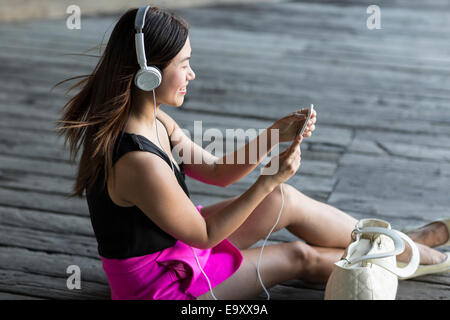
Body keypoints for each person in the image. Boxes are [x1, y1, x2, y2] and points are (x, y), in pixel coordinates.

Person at [55, 6, 449, 300]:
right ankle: (403, 254)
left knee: (285, 199)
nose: (191, 74)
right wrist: (268, 179)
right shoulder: (136, 161)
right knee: (297, 256)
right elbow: (206, 236)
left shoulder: (155, 121)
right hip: (164, 284)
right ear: (149, 74)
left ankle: (395, 244)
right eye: (184, 65)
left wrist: (275, 134)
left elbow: (216, 171)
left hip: (178, 241)